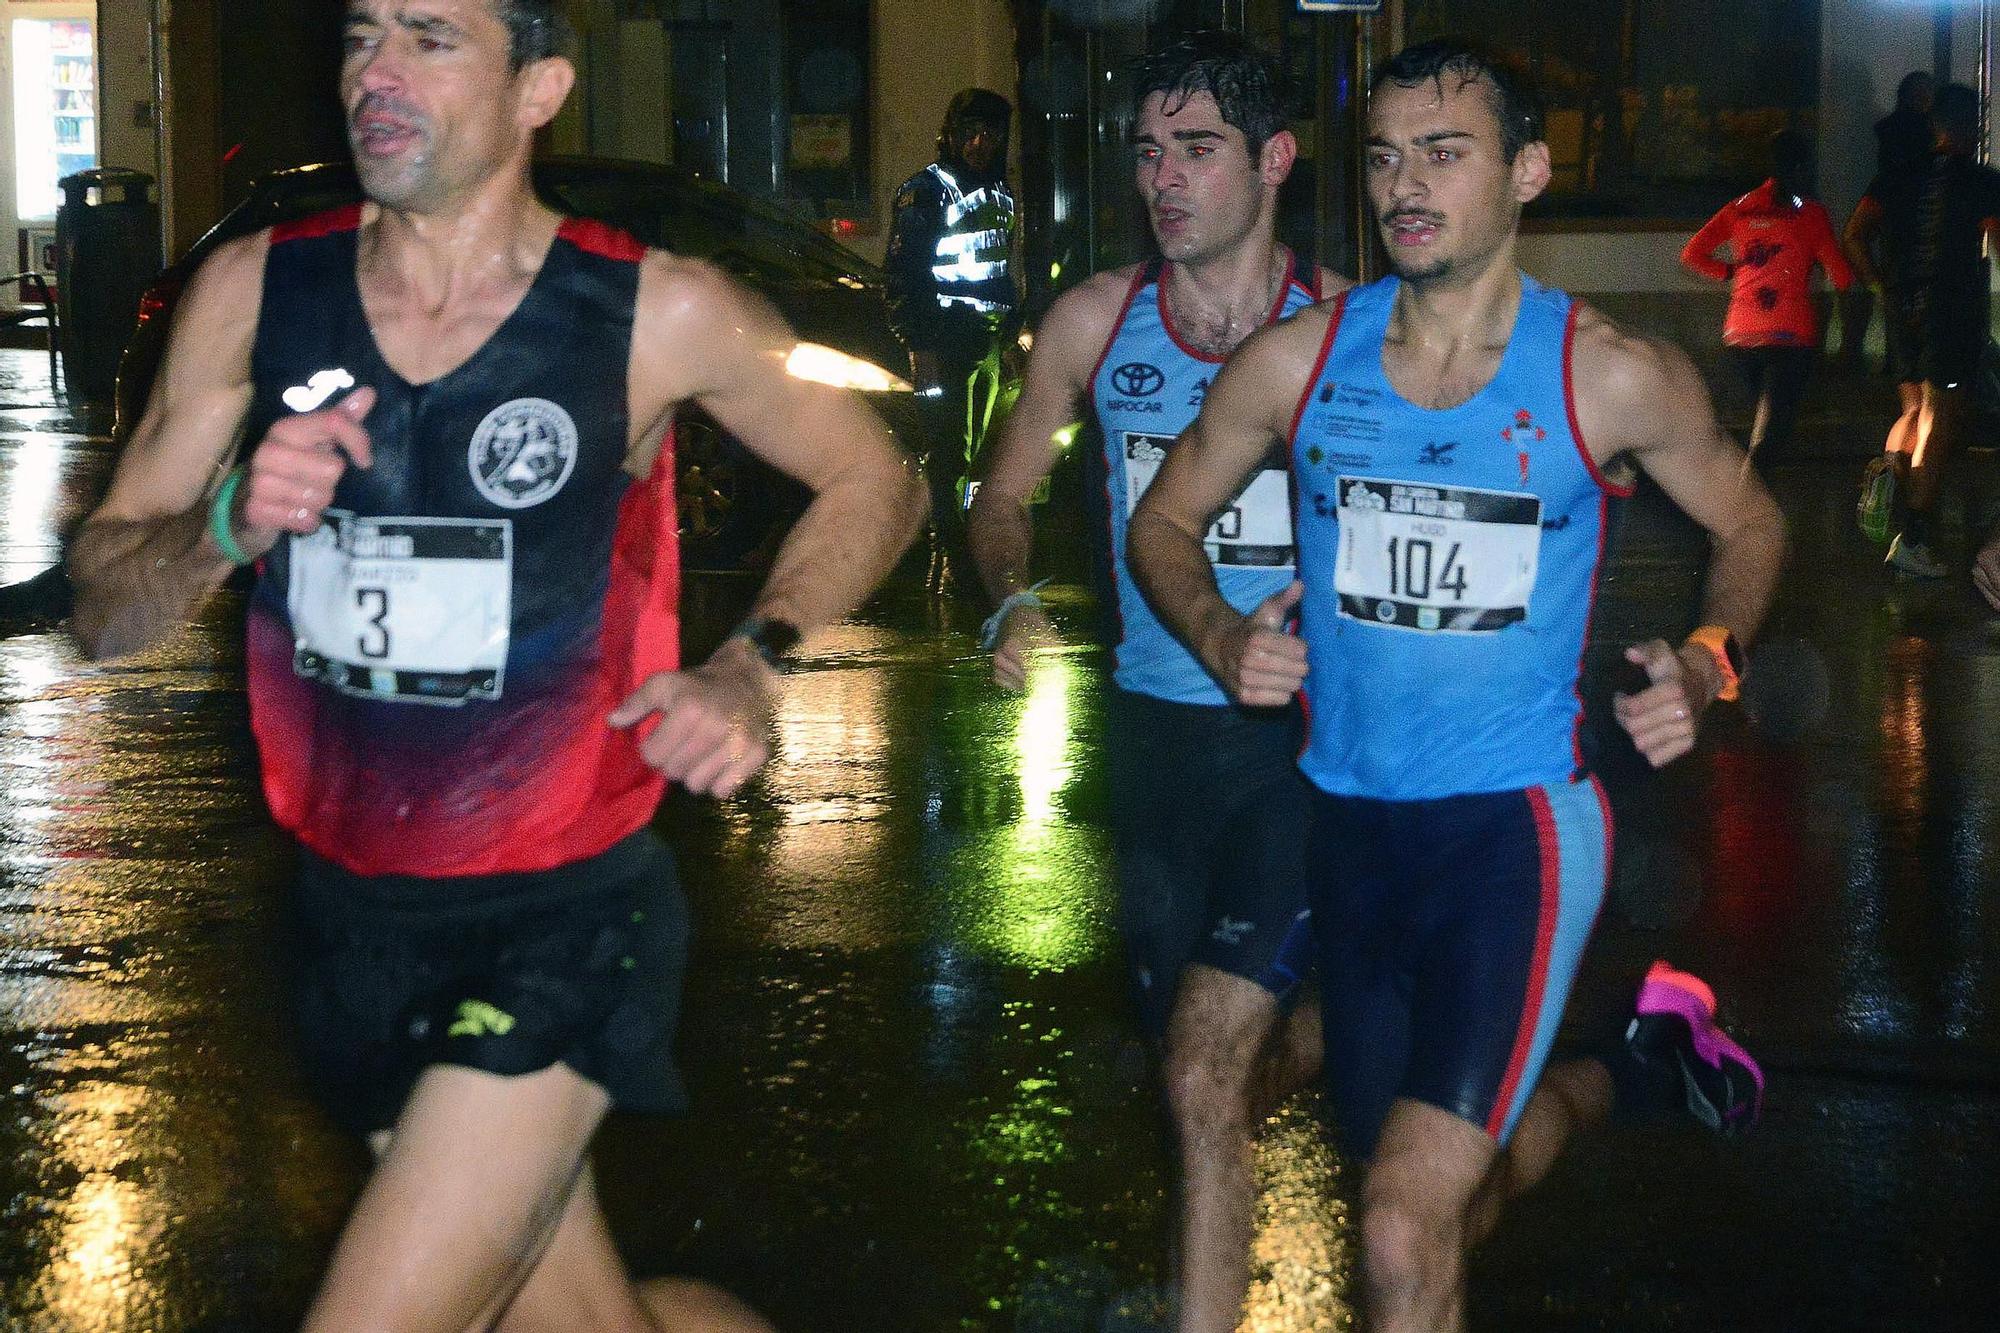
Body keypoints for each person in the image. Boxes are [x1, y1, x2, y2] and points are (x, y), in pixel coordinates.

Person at [65, 3, 925, 1329]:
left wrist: (752, 665)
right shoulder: (256, 291)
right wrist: (222, 524)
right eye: (361, 37)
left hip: (563, 923)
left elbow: (876, 475)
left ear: (541, 88)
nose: (376, 76)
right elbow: (104, 610)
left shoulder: (652, 308)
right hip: (351, 927)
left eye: (429, 38)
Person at [1127, 40, 1777, 1333]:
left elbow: (1753, 527)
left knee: (1400, 1223)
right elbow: (1162, 523)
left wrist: (1711, 666)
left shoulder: (1610, 374)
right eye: (1383, 156)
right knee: (1436, 1211)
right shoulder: (1303, 362)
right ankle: (1627, 1073)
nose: (1404, 184)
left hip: (1514, 835)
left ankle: (1607, 1075)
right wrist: (1217, 638)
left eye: (1445, 152)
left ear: (1527, 172)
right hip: (1349, 831)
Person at [967, 31, 1346, 1332]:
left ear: (1275, 159)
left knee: (1198, 1074)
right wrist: (1010, 591)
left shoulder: (1346, 328)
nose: (1162, 178)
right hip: (1154, 749)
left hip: (1306, 748)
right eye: (1147, 152)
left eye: (1197, 149)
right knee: (1207, 1069)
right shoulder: (1095, 320)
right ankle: (1351, 1032)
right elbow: (1003, 490)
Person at [1847, 82, 2000, 576]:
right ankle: (1914, 534)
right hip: (1951, 309)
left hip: (1901, 306)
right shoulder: (1981, 182)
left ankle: (1891, 468)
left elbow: (1855, 234)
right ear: (1970, 126)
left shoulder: (1895, 174)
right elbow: (1997, 240)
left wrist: (1879, 286)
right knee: (1940, 418)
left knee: (1913, 407)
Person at [886, 87, 1021, 536]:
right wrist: (921, 346)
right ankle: (948, 544)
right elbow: (906, 274)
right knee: (948, 449)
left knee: (979, 448)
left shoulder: (1002, 192)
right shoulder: (926, 191)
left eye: (991, 133)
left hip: (988, 337)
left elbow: (1001, 266)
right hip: (946, 335)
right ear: (952, 134)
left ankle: (960, 537)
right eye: (971, 132)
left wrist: (1010, 334)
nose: (980, 143)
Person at [1680, 129, 1853, 461]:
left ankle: (1745, 492)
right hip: (1790, 334)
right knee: (1772, 434)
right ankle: (1745, 498)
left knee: (1763, 423)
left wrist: (1729, 271)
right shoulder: (1810, 214)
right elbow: (1842, 276)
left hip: (1740, 334)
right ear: (1803, 167)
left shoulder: (1738, 208)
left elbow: (1692, 254)